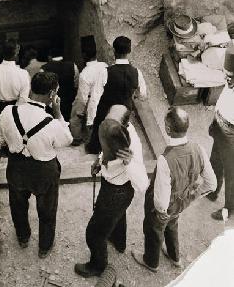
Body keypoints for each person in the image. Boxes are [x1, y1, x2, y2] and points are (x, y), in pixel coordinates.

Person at [0, 72, 73, 258]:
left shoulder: (7, 112)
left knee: (18, 205)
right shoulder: (52, 123)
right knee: (47, 209)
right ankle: (44, 247)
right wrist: (59, 113)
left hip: (16, 167)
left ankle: (23, 237)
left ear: (31, 88)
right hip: (44, 171)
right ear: (52, 94)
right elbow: (68, 139)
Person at [131, 107, 217, 273]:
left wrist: (161, 210)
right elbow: (211, 183)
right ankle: (174, 257)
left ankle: (151, 261)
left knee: (154, 230)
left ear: (168, 129)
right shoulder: (198, 148)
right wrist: (192, 196)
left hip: (165, 205)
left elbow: (161, 195)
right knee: (172, 225)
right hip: (182, 201)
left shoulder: (166, 159)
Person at [74, 105, 149, 278]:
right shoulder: (114, 130)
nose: (107, 123)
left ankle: (97, 266)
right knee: (118, 215)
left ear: (125, 123)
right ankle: (119, 242)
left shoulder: (132, 147)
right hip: (112, 186)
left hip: (118, 191)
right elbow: (107, 147)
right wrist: (99, 162)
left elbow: (143, 183)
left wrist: (129, 163)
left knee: (94, 233)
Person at [85, 36, 147, 154]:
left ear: (114, 51)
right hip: (124, 113)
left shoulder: (106, 72)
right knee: (119, 133)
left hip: (106, 111)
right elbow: (143, 95)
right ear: (129, 51)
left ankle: (97, 150)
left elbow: (95, 98)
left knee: (100, 135)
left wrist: (90, 120)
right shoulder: (137, 72)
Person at [207, 45, 234, 220]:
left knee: (232, 173)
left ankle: (229, 210)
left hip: (232, 134)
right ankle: (212, 189)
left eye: (230, 76)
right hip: (220, 126)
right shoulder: (230, 83)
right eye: (226, 74)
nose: (227, 78)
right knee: (215, 160)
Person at [0, 39, 30, 132]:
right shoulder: (23, 74)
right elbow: (23, 98)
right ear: (17, 52)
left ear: (2, 52)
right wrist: (14, 113)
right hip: (15, 112)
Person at [70, 35, 108, 146]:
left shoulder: (84, 74)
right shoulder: (105, 66)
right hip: (107, 108)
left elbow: (82, 100)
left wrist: (79, 115)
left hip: (94, 112)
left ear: (83, 55)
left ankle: (77, 139)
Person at [40, 50, 79, 122]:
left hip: (52, 104)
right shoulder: (73, 66)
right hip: (69, 102)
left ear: (49, 57)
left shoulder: (44, 68)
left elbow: (43, 88)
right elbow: (76, 85)